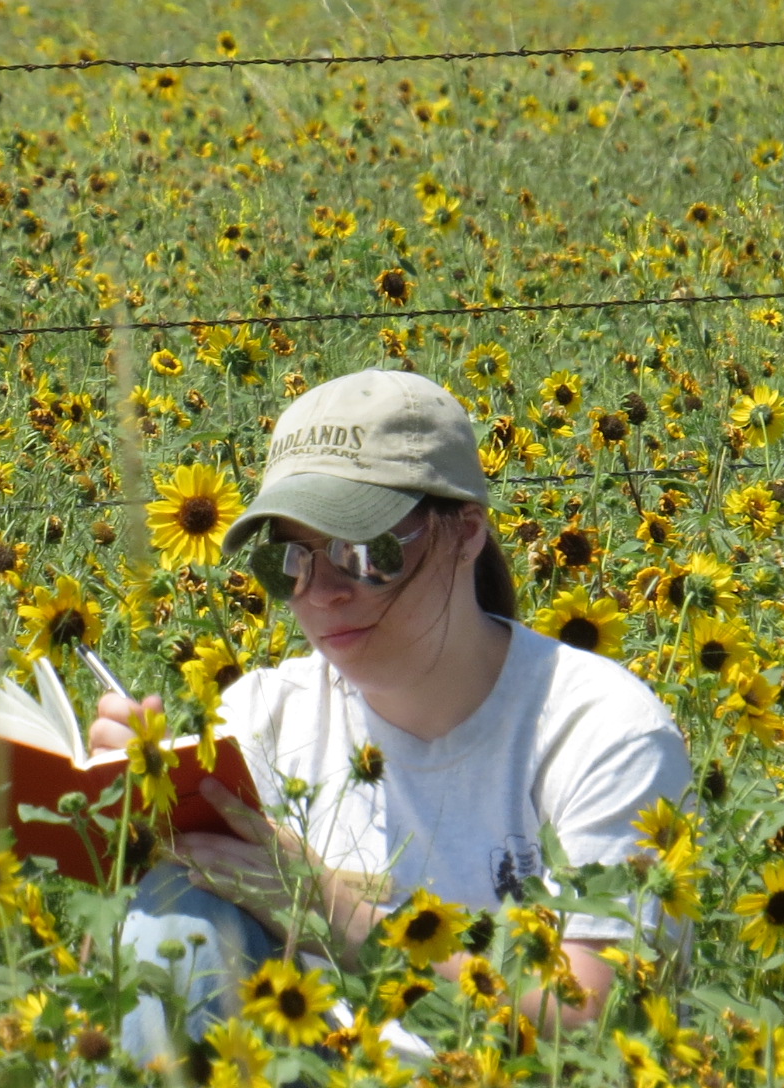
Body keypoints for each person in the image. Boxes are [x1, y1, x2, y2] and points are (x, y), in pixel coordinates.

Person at [87, 368, 690, 1061]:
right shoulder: (265, 718)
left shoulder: (601, 730)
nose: (322, 594)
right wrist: (129, 836)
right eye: (288, 562)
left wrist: (335, 916)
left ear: (466, 532)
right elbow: (130, 977)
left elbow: (598, 1023)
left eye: (366, 553)